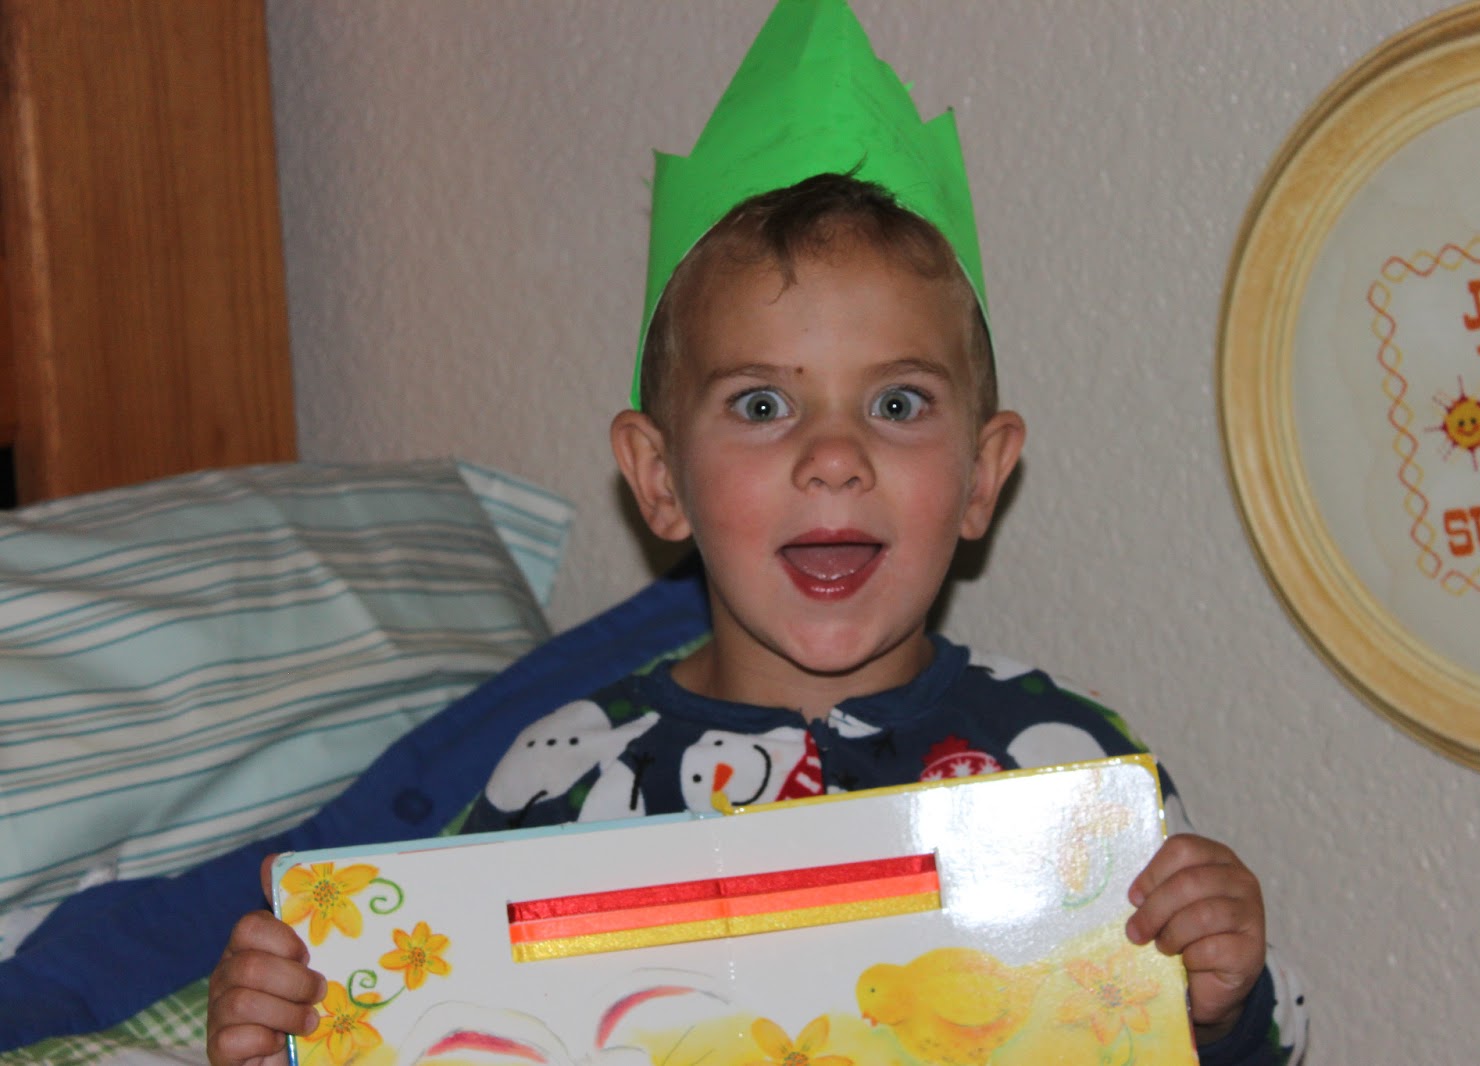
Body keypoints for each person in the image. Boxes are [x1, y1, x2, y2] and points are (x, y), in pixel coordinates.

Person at [207, 4, 1306, 1065]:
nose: (833, 455)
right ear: (659, 478)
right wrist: (296, 1039)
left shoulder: (1067, 766)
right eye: (762, 404)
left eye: (897, 403)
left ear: (982, 477)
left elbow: (1211, 1038)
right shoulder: (562, 782)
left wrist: (1218, 1007)